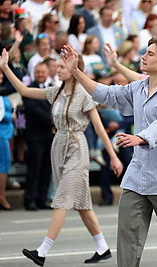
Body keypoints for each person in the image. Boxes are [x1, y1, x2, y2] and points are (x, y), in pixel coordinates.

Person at [60, 37, 157, 267]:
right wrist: (76, 72)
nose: (143, 56)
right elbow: (106, 94)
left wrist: (141, 137)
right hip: (137, 177)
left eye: (150, 54)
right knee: (128, 238)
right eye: (145, 52)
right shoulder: (138, 87)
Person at [0, 48, 123, 266]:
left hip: (77, 148)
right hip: (58, 147)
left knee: (62, 199)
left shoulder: (84, 94)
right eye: (57, 66)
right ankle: (103, 247)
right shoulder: (55, 92)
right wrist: (5, 67)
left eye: (62, 66)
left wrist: (113, 156)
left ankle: (42, 251)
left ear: (74, 69)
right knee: (82, 204)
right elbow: (24, 91)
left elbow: (99, 128)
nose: (58, 70)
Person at [23, 62, 53, 211]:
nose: (40, 75)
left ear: (47, 73)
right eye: (38, 72)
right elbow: (33, 110)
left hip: (50, 135)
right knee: (34, 169)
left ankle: (42, 198)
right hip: (35, 135)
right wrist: (53, 120)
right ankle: (30, 200)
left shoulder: (53, 88)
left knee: (47, 168)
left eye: (43, 72)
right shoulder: (29, 89)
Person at [0, 70, 13, 210]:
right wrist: (11, 116)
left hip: (6, 133)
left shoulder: (3, 92)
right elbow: (1, 115)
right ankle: (1, 195)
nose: (1, 77)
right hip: (1, 134)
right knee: (3, 164)